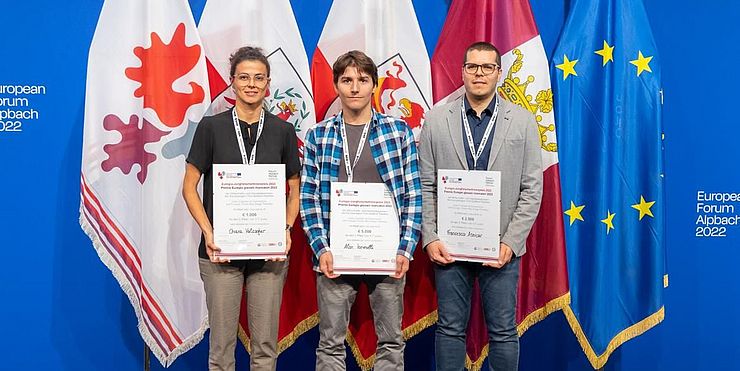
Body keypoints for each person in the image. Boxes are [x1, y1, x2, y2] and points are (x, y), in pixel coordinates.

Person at [418, 41, 543, 371]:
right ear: (462, 71)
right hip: (449, 244)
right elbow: (425, 185)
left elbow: (532, 189)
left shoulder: (523, 121)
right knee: (449, 329)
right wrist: (430, 237)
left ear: (499, 73)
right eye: (472, 67)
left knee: (502, 332)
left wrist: (511, 242)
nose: (479, 73)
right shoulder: (436, 119)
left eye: (487, 67)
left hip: (500, 247)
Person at [300, 50, 422, 371]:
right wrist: (321, 248)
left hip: (387, 255)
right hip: (334, 256)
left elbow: (412, 195)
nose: (355, 87)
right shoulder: (318, 135)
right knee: (330, 344)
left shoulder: (397, 132)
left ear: (374, 87)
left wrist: (405, 249)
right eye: (347, 80)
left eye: (362, 80)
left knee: (391, 341)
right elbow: (308, 198)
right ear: (337, 86)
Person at [182, 46, 301, 371]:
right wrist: (208, 231)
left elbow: (295, 187)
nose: (251, 84)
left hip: (268, 254)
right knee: (221, 349)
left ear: (268, 84)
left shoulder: (283, 131)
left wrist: (287, 229)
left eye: (258, 78)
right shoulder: (211, 127)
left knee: (264, 348)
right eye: (244, 77)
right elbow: (189, 186)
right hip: (221, 252)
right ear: (232, 81)